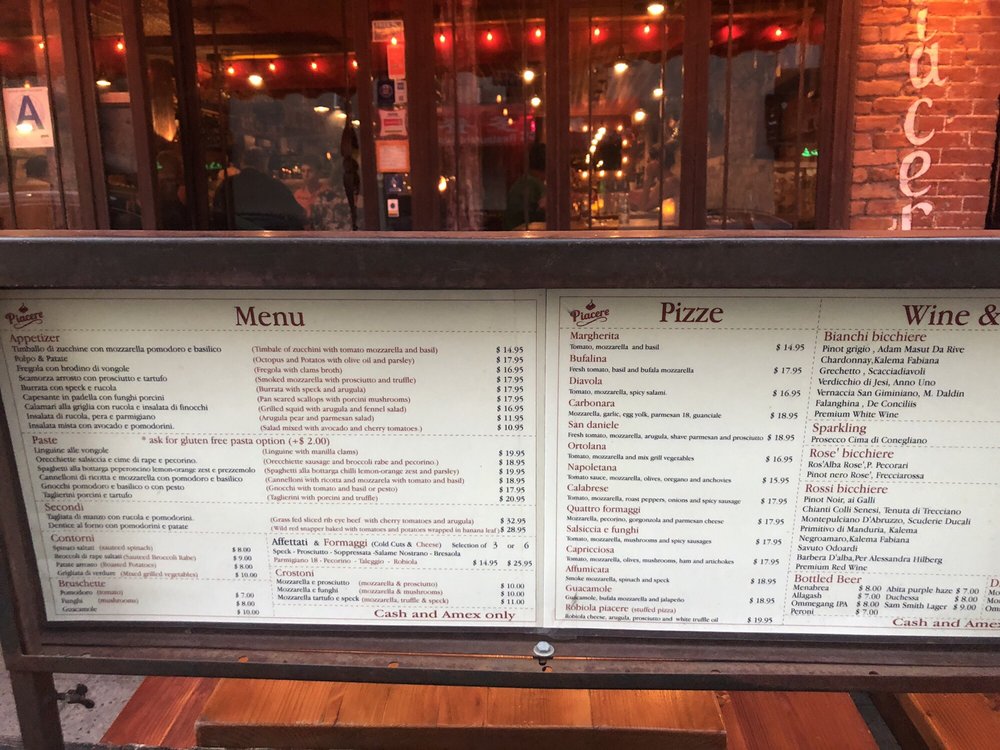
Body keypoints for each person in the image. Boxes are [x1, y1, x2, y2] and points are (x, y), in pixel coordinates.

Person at [211, 148, 305, 230]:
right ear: (264, 163)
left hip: (233, 240)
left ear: (242, 163)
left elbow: (217, 213)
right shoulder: (275, 186)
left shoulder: (227, 185)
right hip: (271, 241)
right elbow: (298, 214)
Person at [504, 143, 546, 230]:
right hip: (521, 234)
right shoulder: (534, 184)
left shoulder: (523, 182)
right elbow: (541, 216)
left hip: (512, 232)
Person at [15, 155, 59, 229]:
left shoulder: (16, 189)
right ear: (45, 171)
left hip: (17, 232)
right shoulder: (47, 188)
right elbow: (53, 215)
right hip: (44, 231)